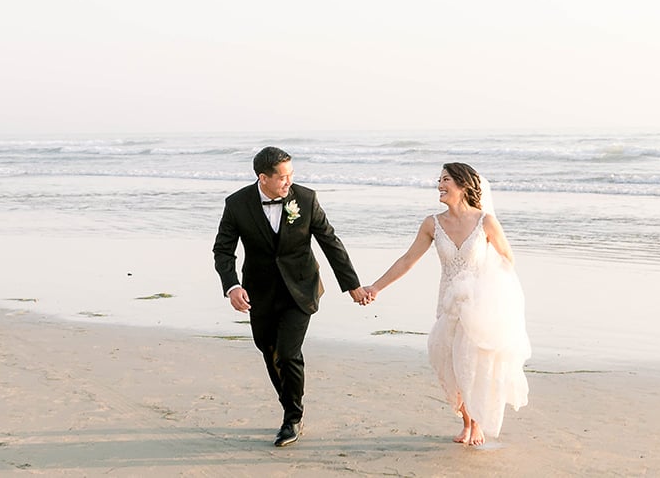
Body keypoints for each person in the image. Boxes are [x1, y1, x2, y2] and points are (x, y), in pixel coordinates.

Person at [213, 146, 371, 447]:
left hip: (301, 289)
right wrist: (232, 286)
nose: (289, 182)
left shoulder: (306, 199)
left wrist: (352, 286)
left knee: (287, 352)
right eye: (282, 177)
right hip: (259, 291)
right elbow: (223, 250)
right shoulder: (237, 204)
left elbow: (330, 242)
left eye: (291, 175)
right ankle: (290, 407)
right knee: (268, 348)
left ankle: (292, 417)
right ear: (263, 178)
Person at [364, 162, 530, 446]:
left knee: (472, 362)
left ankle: (475, 423)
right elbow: (407, 260)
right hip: (447, 303)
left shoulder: (486, 221)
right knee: (449, 362)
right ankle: (466, 420)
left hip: (479, 304)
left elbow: (507, 260)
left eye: (446, 180)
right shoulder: (432, 223)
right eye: (439, 180)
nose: (440, 185)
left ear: (463, 185)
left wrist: (490, 293)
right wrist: (376, 287)